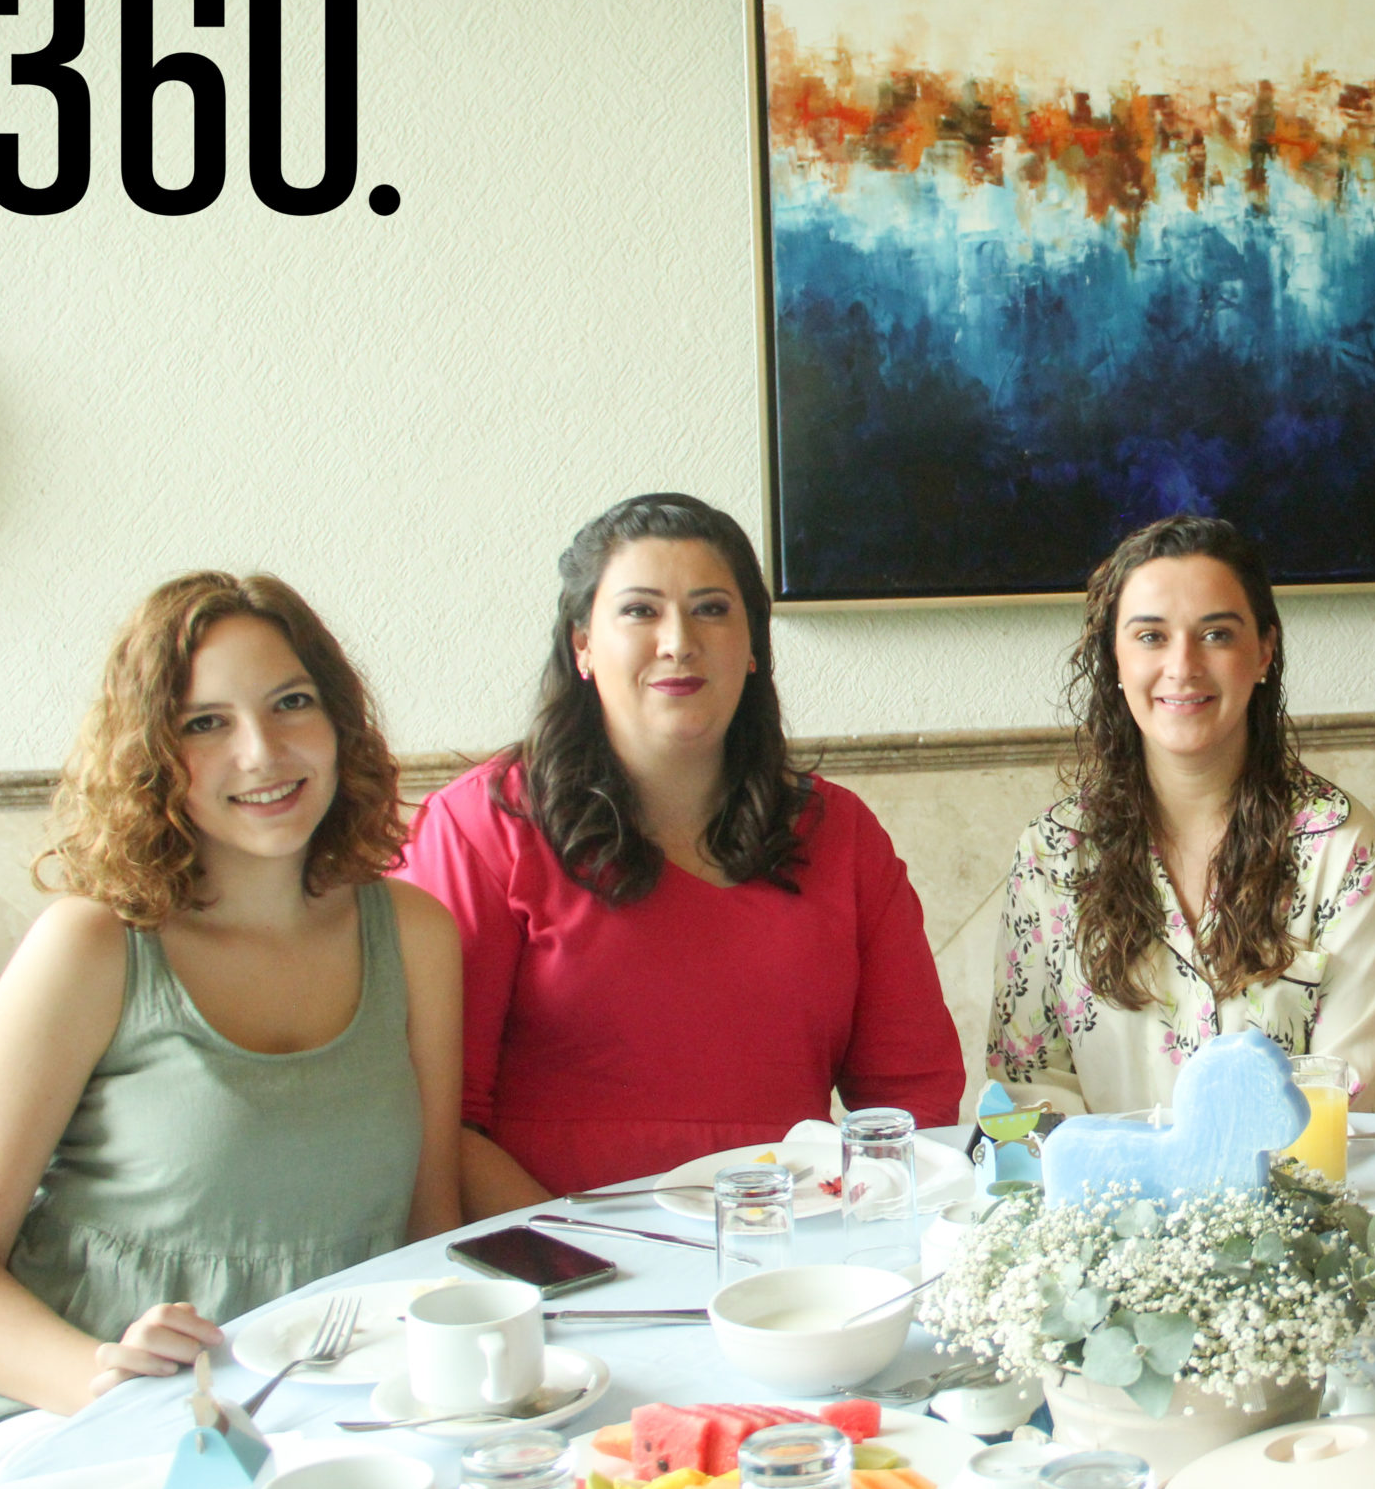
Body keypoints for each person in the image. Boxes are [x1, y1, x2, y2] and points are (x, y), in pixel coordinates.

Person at [0, 574, 463, 1469]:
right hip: (60, 1410)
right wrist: (105, 1381)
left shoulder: (414, 936)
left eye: (291, 703)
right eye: (203, 722)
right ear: (149, 752)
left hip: (322, 1413)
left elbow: (428, 1231)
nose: (262, 751)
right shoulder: (94, 946)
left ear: (339, 723)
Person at [400, 494, 963, 1212]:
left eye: (711, 609)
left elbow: (911, 1106)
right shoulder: (480, 827)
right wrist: (591, 1265)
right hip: (558, 1277)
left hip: (787, 1264)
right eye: (640, 611)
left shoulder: (841, 834)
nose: (678, 640)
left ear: (754, 645)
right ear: (581, 646)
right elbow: (439, 1125)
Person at [986, 515, 1375, 1114]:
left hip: (1288, 1202)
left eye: (1215, 635)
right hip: (1098, 1202)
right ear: (1114, 657)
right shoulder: (1052, 852)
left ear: (1264, 650)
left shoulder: (1342, 848)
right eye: (1151, 636)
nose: (1182, 666)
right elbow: (1030, 1089)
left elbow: (1344, 1099)